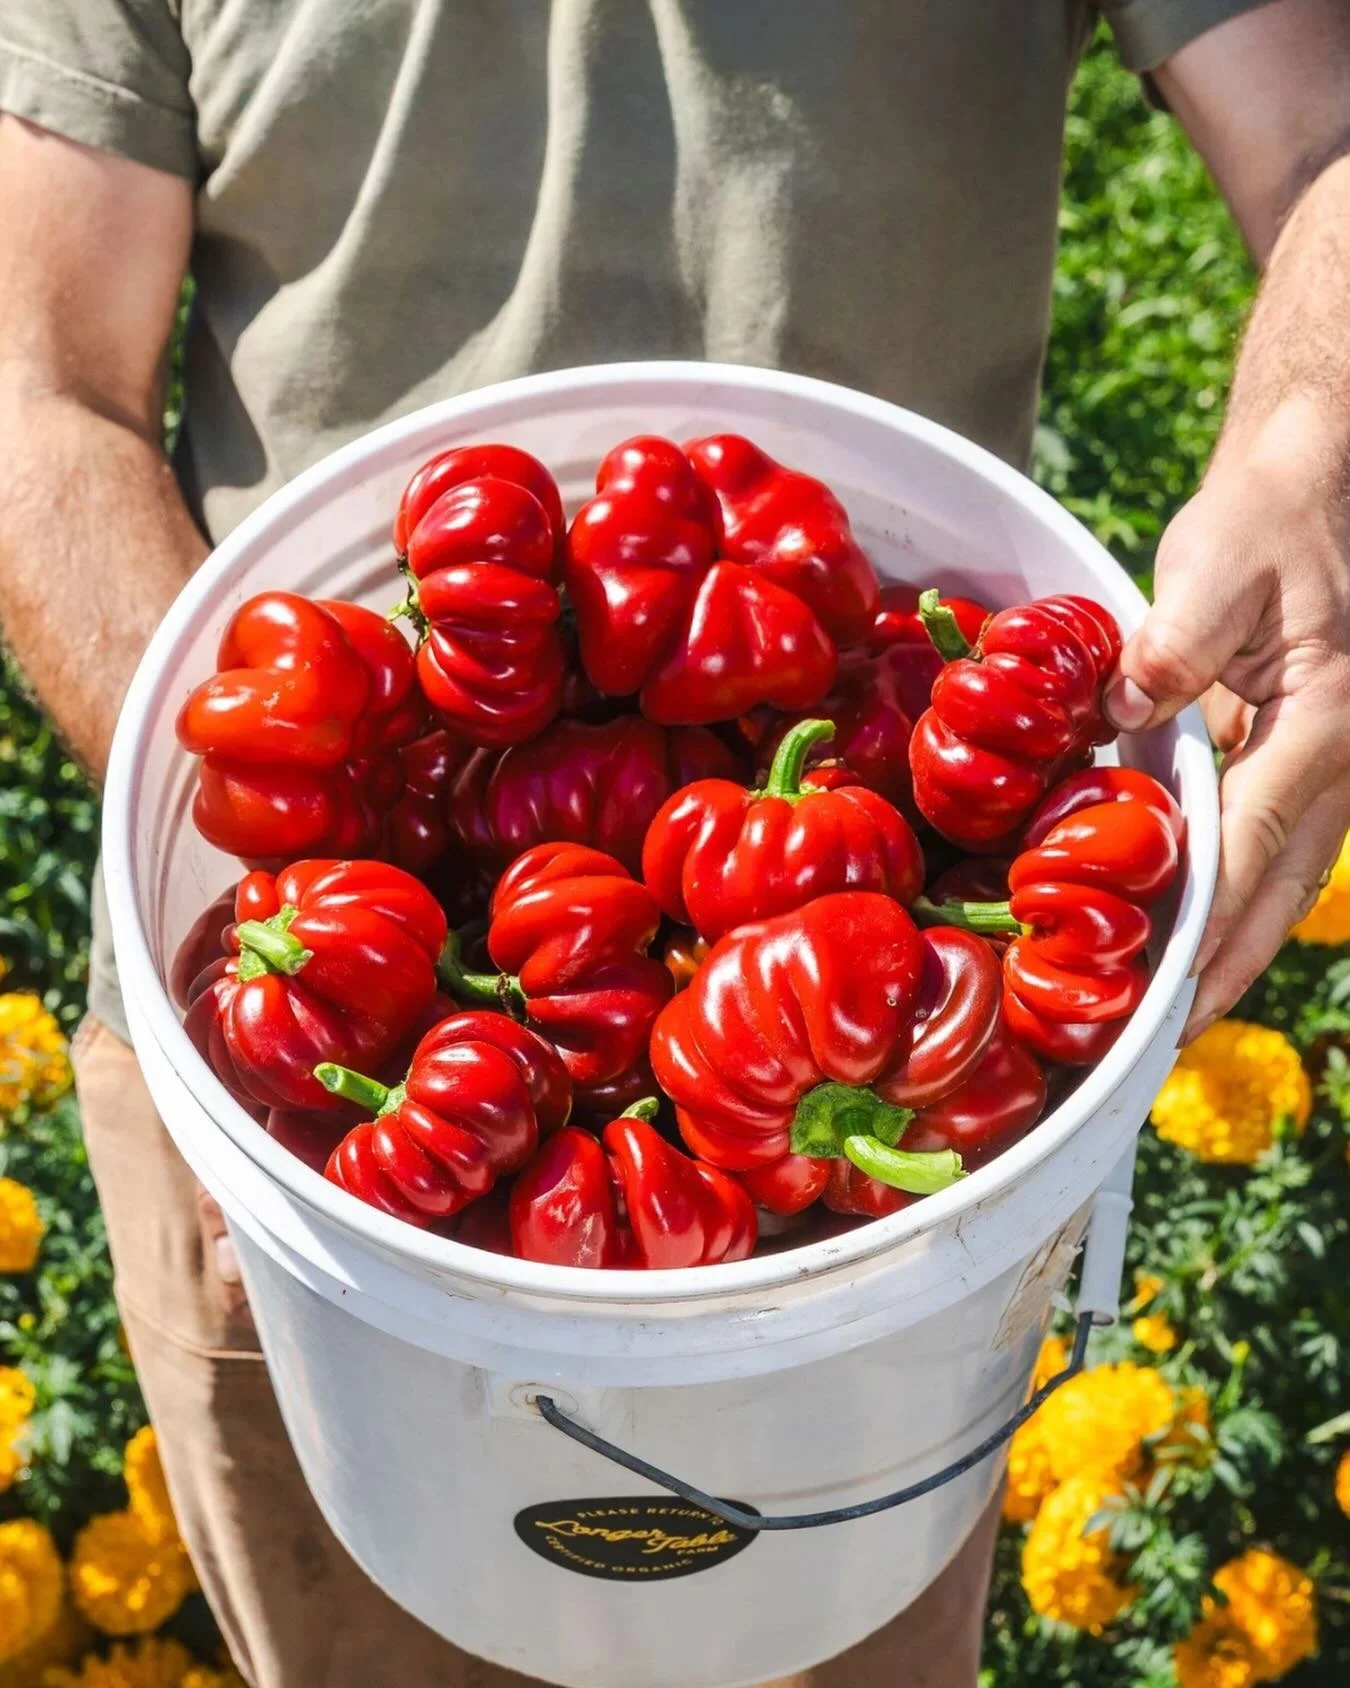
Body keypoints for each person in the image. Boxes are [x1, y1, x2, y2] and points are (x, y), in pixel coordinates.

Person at [2, 2, 1350, 1683]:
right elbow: (36, 382)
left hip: (892, 1138)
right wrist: (263, 834)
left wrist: (1312, 451)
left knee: (836, 1615)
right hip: (288, 1076)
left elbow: (1326, 137)